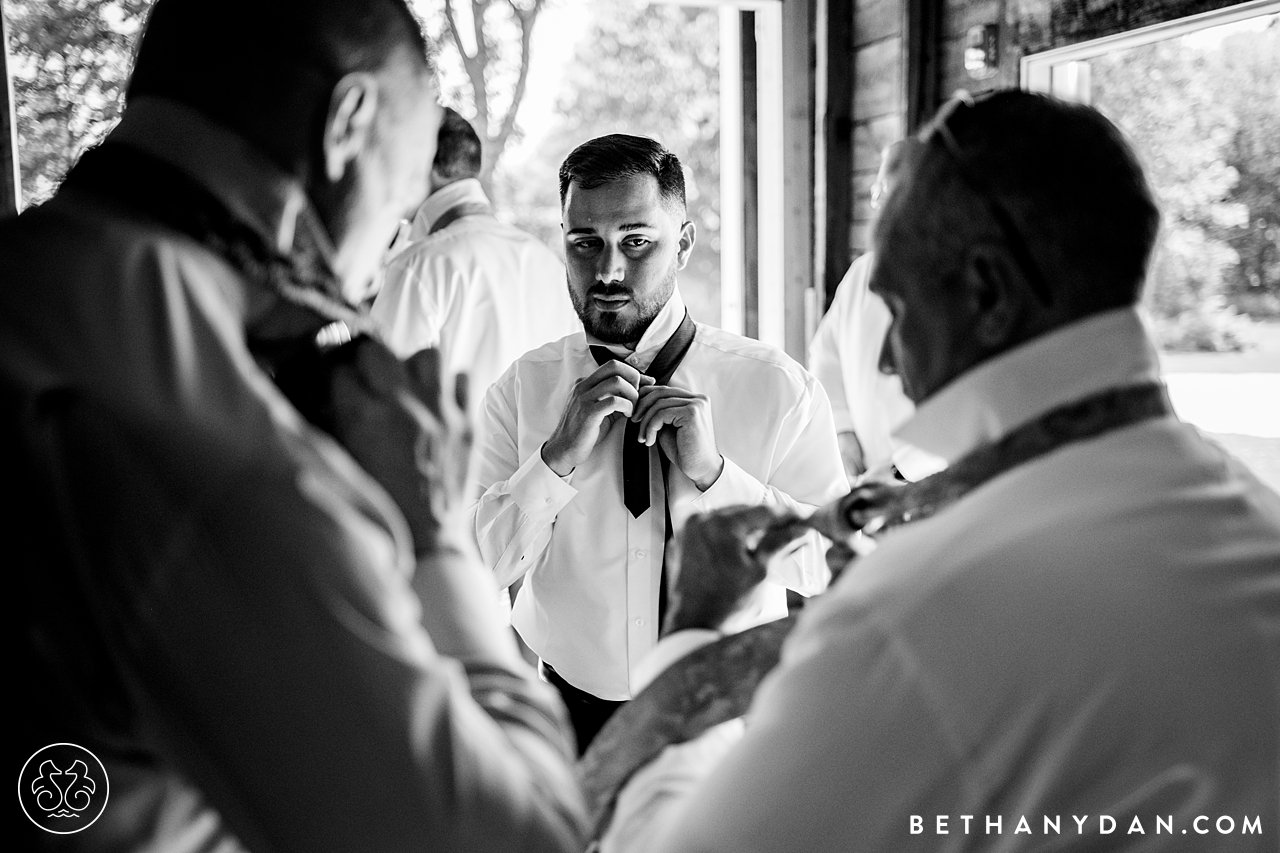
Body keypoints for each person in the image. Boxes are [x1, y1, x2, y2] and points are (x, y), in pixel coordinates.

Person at [603, 90, 1280, 852]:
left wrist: (693, 630)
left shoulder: (916, 615)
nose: (887, 360)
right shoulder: (1257, 523)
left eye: (894, 309)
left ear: (987, 293)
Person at [4, 1, 584, 851]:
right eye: (405, 180)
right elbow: (519, 838)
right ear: (348, 122)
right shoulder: (227, 423)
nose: (392, 233)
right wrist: (436, 541)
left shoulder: (37, 277)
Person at [470, 134, 847, 752]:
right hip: (571, 718)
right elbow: (473, 564)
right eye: (584, 243)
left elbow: (836, 566)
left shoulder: (775, 387)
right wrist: (553, 460)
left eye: (636, 241)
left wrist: (717, 476)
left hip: (729, 724)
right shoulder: (522, 390)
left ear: (684, 244)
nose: (609, 270)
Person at [370, 107, 577, 420]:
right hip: (544, 466)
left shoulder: (417, 267)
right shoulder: (550, 266)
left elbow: (382, 402)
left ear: (427, 165)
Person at [809, 144, 943, 484]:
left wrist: (901, 471)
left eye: (889, 192)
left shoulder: (953, 282)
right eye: (876, 192)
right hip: (863, 478)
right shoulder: (861, 274)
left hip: (934, 483)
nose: (876, 205)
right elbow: (827, 356)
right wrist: (842, 432)